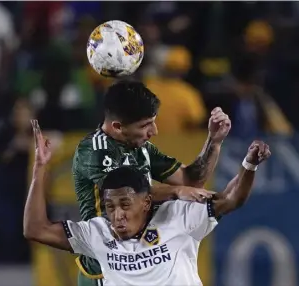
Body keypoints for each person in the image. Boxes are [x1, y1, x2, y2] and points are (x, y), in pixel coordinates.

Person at [24, 119, 271, 286]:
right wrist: (39, 169)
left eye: (125, 204)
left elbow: (231, 198)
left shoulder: (178, 217)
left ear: (146, 203)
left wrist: (249, 165)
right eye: (110, 207)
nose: (117, 215)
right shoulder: (97, 233)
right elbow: (35, 229)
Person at [72, 80, 231, 285]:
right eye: (145, 125)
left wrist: (214, 141)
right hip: (104, 270)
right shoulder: (94, 151)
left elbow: (192, 180)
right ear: (118, 127)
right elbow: (126, 196)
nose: (154, 131)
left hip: (140, 264)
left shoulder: (141, 147)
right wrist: (176, 192)